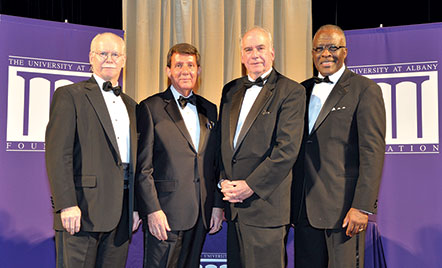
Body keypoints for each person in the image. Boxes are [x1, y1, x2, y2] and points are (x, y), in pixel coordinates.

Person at [291, 24, 386, 268]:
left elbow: (372, 152)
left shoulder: (365, 90)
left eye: (332, 47)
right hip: (304, 212)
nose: (325, 54)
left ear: (345, 51)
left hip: (344, 213)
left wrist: (362, 207)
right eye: (319, 48)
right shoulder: (300, 91)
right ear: (312, 54)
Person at [45, 32, 140, 267]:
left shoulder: (132, 105)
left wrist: (135, 207)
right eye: (103, 53)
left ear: (124, 60)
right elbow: (58, 154)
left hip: (122, 214)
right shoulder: (69, 95)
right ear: (91, 57)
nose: (109, 59)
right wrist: (67, 204)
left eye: (115, 54)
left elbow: (136, 161)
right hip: (82, 213)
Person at [219, 27, 305, 268]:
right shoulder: (230, 90)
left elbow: (286, 151)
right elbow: (223, 146)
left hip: (266, 209)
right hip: (234, 209)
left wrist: (250, 186)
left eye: (260, 48)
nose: (255, 54)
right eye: (248, 49)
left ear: (272, 53)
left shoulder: (292, 91)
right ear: (241, 56)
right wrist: (223, 181)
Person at [135, 43, 224, 268]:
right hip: (165, 216)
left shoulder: (210, 109)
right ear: (168, 71)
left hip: (201, 215)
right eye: (178, 65)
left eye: (191, 65)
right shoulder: (150, 107)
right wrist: (153, 210)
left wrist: (216, 205)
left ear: (199, 70)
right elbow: (143, 167)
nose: (185, 70)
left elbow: (215, 164)